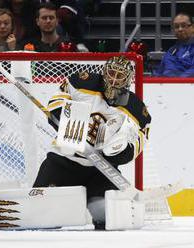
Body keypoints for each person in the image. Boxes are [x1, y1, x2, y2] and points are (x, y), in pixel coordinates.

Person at [33, 56, 151, 229]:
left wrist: (121, 153)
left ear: (128, 79)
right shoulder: (82, 82)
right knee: (40, 214)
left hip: (102, 170)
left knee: (107, 219)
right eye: (111, 73)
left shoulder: (135, 107)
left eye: (120, 76)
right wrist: (69, 124)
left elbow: (139, 140)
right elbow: (55, 103)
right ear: (104, 72)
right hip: (62, 162)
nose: (114, 79)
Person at [153, 12, 194, 77]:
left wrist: (176, 82)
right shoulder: (171, 51)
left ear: (192, 27)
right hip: (166, 85)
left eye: (184, 25)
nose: (180, 29)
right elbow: (158, 73)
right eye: (176, 27)